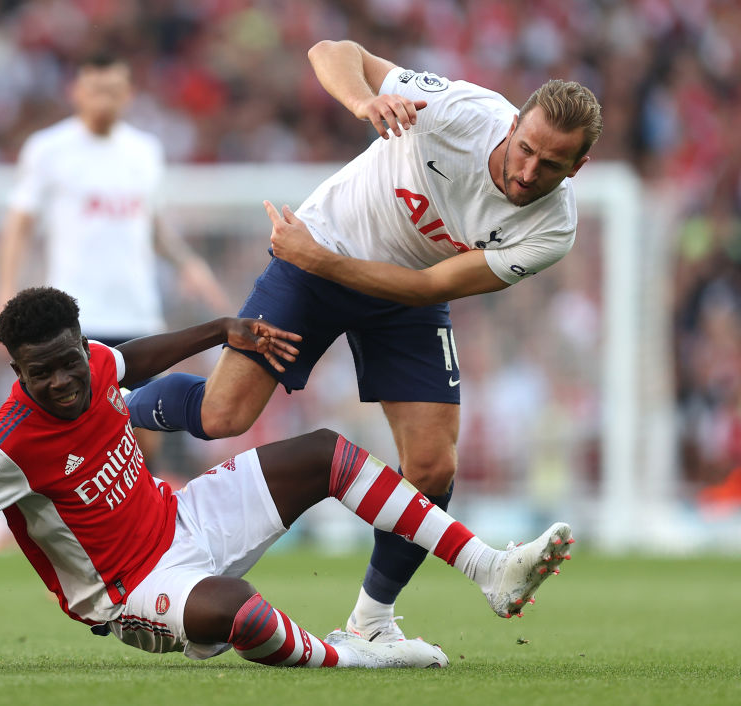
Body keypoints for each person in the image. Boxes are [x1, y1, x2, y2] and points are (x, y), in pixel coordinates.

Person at [124, 39, 602, 646]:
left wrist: (321, 262)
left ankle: (372, 622)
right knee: (223, 415)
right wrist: (362, 100)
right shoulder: (462, 111)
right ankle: (106, 408)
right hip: (322, 245)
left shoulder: (553, 228)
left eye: (551, 166)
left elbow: (428, 284)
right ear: (513, 124)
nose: (527, 172)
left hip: (398, 292)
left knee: (432, 466)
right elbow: (332, 49)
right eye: (525, 149)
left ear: (576, 169)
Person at [0, 287, 573, 670]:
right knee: (234, 608)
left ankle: (489, 567)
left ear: (79, 341)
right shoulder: (2, 448)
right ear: (16, 372)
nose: (61, 381)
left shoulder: (92, 362)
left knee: (321, 451)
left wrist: (219, 330)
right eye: (42, 374)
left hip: (183, 518)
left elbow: (128, 359)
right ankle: (356, 656)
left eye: (67, 362)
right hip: (134, 589)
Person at [0, 52, 229, 472]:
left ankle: (136, 528)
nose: (105, 99)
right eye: (96, 89)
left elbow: (150, 225)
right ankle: (76, 526)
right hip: (76, 318)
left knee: (143, 433)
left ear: (128, 94)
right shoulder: (49, 149)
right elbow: (19, 225)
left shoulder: (144, 151)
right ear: (77, 92)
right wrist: (3, 289)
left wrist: (189, 263)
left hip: (137, 316)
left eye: (114, 91)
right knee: (77, 433)